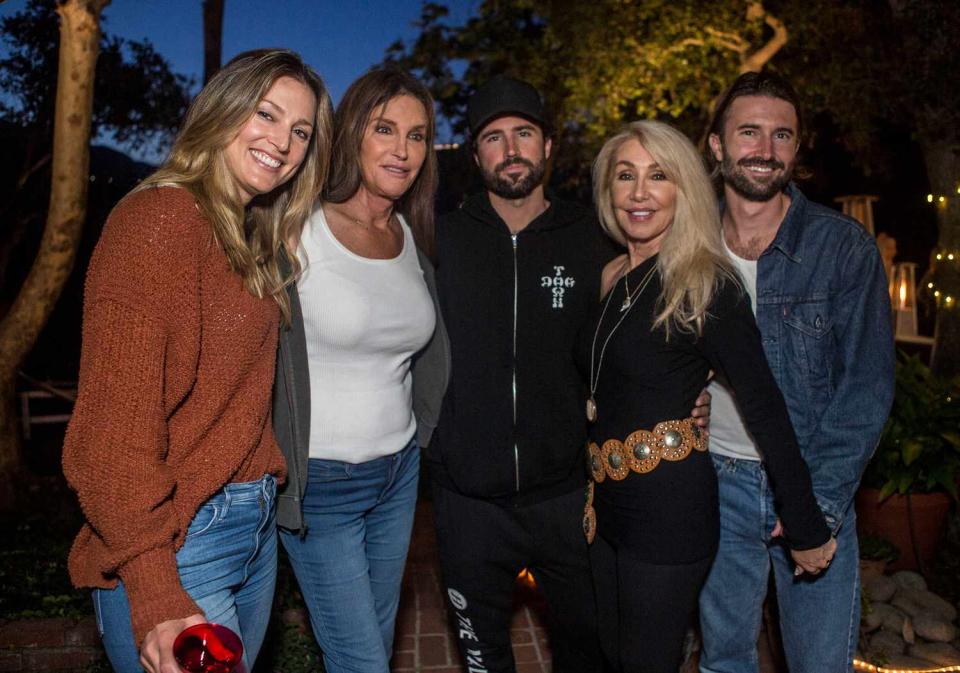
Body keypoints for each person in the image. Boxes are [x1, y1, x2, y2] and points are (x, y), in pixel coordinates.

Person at [62, 49, 332, 673]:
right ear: (223, 109)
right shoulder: (158, 222)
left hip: (251, 528)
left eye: (300, 132)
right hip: (182, 541)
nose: (283, 143)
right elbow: (108, 440)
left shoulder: (239, 231)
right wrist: (155, 589)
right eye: (266, 115)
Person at [429, 77, 709, 673]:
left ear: (548, 146)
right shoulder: (439, 242)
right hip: (466, 501)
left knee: (588, 651)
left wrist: (690, 395)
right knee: (483, 661)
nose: (510, 150)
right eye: (493, 138)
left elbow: (657, 331)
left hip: (567, 495)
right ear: (475, 153)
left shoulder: (597, 240)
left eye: (524, 134)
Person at [582, 119, 836, 673]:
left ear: (685, 189)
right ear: (608, 190)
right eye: (626, 175)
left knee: (646, 662)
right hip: (603, 508)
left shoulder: (707, 282)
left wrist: (805, 522)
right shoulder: (608, 277)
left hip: (669, 513)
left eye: (659, 176)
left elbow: (765, 405)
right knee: (610, 654)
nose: (640, 192)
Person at [698, 71, 894, 673]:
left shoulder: (843, 249)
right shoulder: (687, 245)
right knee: (724, 658)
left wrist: (819, 508)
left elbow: (866, 388)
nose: (765, 149)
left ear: (797, 148)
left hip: (812, 480)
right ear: (716, 145)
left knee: (817, 664)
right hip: (716, 482)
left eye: (782, 135)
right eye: (749, 132)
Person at [273, 67, 450, 673]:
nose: (402, 150)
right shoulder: (297, 228)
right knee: (362, 661)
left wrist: (419, 441)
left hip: (399, 474)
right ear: (351, 134)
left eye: (418, 135)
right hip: (322, 484)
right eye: (385, 129)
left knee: (371, 642)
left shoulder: (408, 234)